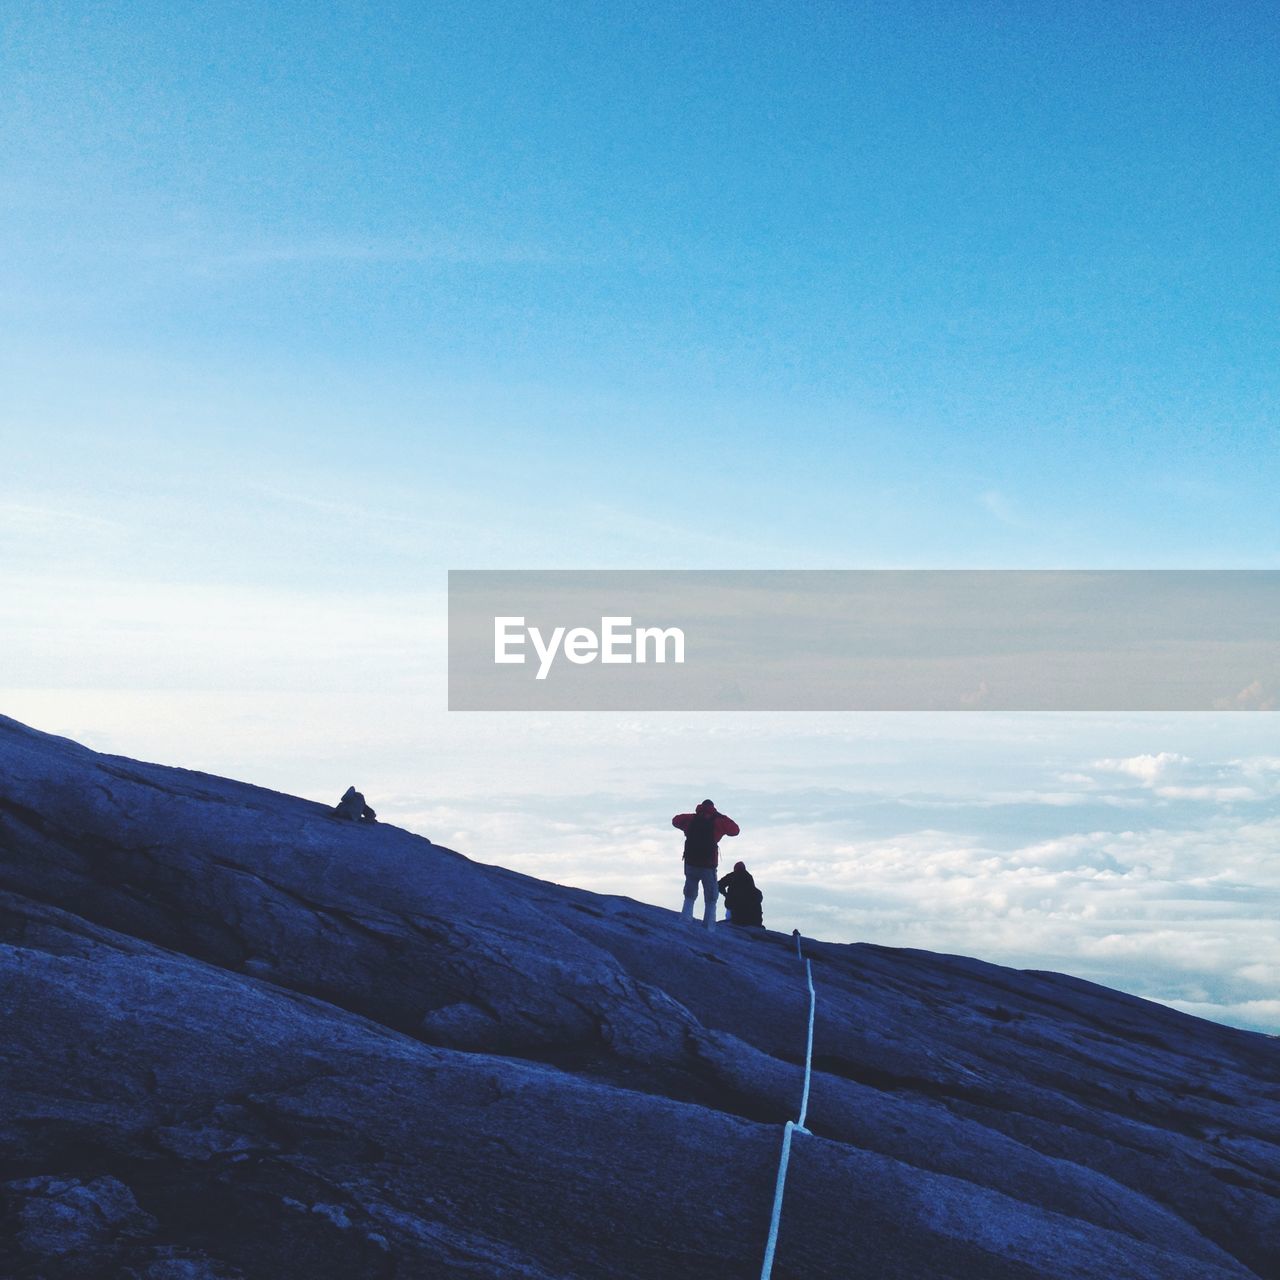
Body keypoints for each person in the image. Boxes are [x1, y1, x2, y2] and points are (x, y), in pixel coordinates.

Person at [672, 799, 739, 929]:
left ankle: (686, 919)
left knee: (690, 893)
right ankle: (709, 926)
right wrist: (720, 815)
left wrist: (695, 814)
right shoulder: (718, 822)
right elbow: (735, 830)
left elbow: (675, 820)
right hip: (708, 865)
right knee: (711, 897)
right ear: (713, 808)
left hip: (691, 863)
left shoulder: (691, 819)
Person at [718, 861, 763, 928]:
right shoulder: (748, 877)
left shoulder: (732, 876)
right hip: (748, 914)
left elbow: (719, 884)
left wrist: (726, 895)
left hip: (735, 909)